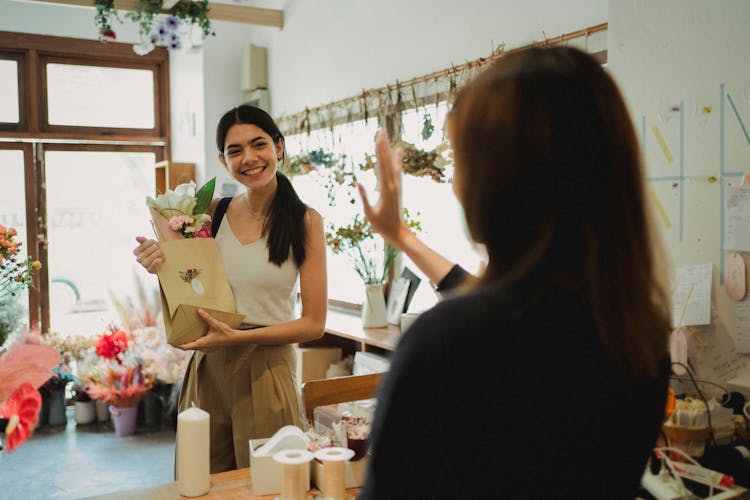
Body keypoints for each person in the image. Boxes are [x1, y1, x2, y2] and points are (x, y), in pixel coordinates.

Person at [357, 47, 671, 498]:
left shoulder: (445, 344)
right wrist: (400, 235)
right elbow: (500, 301)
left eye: (460, 158)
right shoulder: (636, 330)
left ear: (501, 179)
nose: (454, 182)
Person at [134, 105, 327, 473]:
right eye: (235, 151)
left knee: (269, 483)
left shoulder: (305, 221)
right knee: (199, 480)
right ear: (223, 161)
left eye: (259, 145)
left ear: (279, 147)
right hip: (208, 368)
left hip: (267, 366)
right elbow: (192, 282)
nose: (249, 158)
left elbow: (314, 323)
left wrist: (235, 339)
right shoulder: (212, 214)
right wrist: (158, 262)